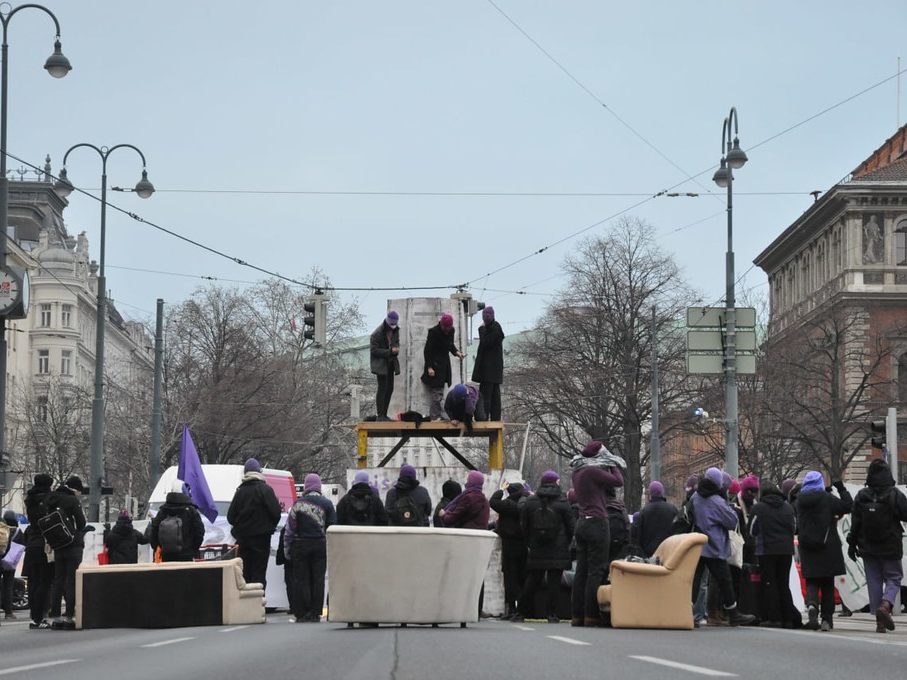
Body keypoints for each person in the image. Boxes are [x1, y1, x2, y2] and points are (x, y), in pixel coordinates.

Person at [690, 468, 756, 626]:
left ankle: (687, 612)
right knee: (725, 580)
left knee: (695, 580)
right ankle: (733, 614)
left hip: (697, 545)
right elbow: (732, 521)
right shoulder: (716, 501)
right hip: (714, 546)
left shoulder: (695, 497)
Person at [847, 459, 907, 633]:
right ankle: (886, 605)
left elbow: (855, 522)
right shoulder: (894, 494)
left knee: (874, 581)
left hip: (868, 546)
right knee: (894, 578)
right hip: (890, 544)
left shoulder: (861, 495)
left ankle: (879, 621)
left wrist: (852, 544)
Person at [569, 440, 624, 627]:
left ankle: (577, 616)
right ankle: (591, 615)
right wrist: (611, 462)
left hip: (582, 522)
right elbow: (618, 481)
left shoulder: (577, 472)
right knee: (595, 571)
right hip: (597, 523)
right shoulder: (592, 472)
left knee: (581, 571)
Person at [512, 471, 574, 624]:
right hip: (558, 548)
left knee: (532, 581)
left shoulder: (531, 501)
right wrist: (565, 542)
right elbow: (571, 526)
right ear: (555, 483)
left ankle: (520, 612)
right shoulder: (562, 501)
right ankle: (552, 614)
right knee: (554, 583)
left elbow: (524, 525)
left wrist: (530, 542)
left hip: (537, 547)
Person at [284, 474, 336, 622]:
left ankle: (303, 612)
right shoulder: (327, 504)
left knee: (302, 579)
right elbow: (332, 528)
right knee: (318, 579)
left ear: (306, 487)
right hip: (320, 545)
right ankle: (315, 612)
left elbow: (289, 530)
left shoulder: (298, 504)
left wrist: (287, 550)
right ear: (318, 487)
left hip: (300, 545)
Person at [227, 458, 282, 589]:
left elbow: (230, 517)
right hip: (262, 539)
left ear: (245, 473)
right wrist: (269, 527)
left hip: (243, 539)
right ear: (259, 471)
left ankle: (245, 605)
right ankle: (258, 604)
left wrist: (240, 527)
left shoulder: (240, 492)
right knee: (259, 572)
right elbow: (276, 513)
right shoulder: (266, 490)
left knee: (244, 573)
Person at [750, 482, 796, 628]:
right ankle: (788, 618)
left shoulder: (758, 508)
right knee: (784, 584)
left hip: (766, 550)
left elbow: (752, 530)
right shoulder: (788, 507)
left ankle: (773, 618)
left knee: (769, 583)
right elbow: (794, 527)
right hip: (786, 550)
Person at [45, 476, 88, 628]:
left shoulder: (52, 499)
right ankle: (69, 617)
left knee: (58, 581)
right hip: (73, 544)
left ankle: (55, 617)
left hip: (58, 545)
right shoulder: (72, 500)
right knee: (71, 581)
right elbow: (81, 523)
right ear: (75, 489)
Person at [490, 481, 528, 620]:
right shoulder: (526, 504)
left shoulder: (507, 505)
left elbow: (493, 501)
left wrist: (501, 489)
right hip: (524, 544)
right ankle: (523, 608)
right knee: (522, 576)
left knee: (510, 576)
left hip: (509, 544)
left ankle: (511, 608)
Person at [22, 474, 54, 629]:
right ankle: (41, 616)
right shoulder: (49, 499)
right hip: (45, 544)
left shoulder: (30, 499)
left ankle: (34, 616)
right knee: (45, 581)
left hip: (32, 544)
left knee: (34, 582)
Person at [149, 479, 206, 563]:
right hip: (186, 556)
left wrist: (158, 548)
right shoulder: (191, 510)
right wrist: (193, 549)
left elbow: (153, 531)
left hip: (166, 556)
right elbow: (200, 532)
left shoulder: (163, 511)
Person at [421, 313, 464, 420]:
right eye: (445, 328)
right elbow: (427, 351)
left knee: (439, 391)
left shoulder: (451, 331)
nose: (447, 330)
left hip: (444, 365)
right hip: (434, 365)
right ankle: (435, 416)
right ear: (441, 325)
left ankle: (437, 415)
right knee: (437, 391)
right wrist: (429, 367)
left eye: (448, 328)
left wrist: (457, 353)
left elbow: (450, 345)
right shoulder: (433, 332)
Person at [471, 306, 505, 421]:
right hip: (494, 370)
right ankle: (494, 418)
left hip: (488, 370)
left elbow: (485, 342)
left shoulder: (493, 329)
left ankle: (483, 417)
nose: (485, 318)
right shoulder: (496, 328)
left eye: (486, 316)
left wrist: (481, 330)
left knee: (486, 395)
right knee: (495, 395)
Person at [370, 310, 401, 421]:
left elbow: (396, 342)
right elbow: (374, 350)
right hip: (381, 364)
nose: (393, 326)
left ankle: (384, 414)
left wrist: (396, 349)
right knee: (382, 388)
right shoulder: (377, 333)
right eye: (391, 324)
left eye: (394, 324)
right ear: (388, 322)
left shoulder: (396, 330)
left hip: (391, 362)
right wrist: (389, 352)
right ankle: (380, 415)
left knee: (390, 388)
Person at [637, 481, 677, 558]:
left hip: (649, 553)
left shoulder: (644, 511)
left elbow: (639, 535)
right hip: (668, 551)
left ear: (650, 494)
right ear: (662, 492)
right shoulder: (672, 509)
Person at [1, 511, 24, 621]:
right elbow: (23, 546)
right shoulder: (18, 531)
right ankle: (8, 613)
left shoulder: (2, 529)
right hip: (10, 562)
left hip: (0, 558)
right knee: (8, 586)